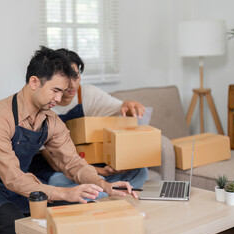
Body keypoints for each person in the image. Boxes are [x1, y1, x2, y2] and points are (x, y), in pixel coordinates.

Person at [0, 46, 137, 234]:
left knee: (73, 210)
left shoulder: (51, 121)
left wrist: (103, 185)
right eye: (55, 90)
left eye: (62, 91)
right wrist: (65, 193)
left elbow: (72, 162)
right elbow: (12, 177)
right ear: (34, 82)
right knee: (9, 223)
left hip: (14, 185)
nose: (59, 98)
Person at [28, 48, 148, 199]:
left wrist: (129, 105)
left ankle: (104, 191)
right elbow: (56, 162)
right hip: (57, 169)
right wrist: (98, 174)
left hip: (85, 164)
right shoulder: (44, 105)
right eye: (66, 78)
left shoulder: (87, 94)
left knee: (140, 171)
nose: (72, 85)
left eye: (76, 76)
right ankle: (103, 191)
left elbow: (119, 108)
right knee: (69, 182)